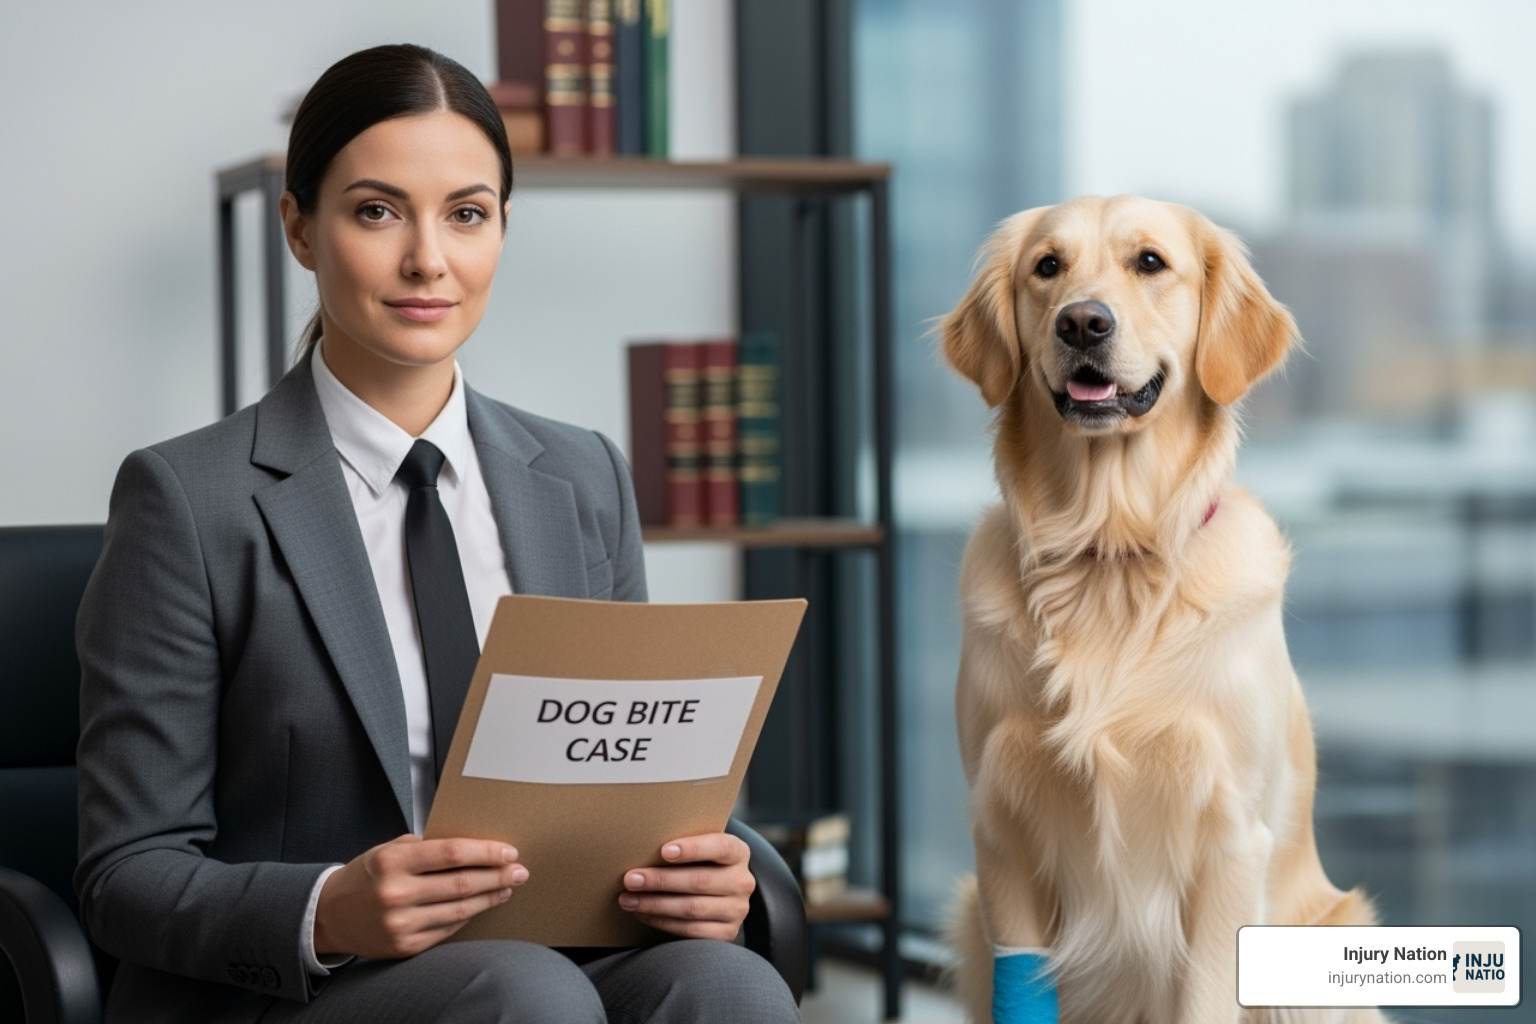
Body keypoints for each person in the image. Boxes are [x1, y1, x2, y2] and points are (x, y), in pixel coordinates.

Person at [74, 43, 800, 1024]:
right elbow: (126, 870)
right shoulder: (186, 500)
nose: (430, 259)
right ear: (299, 227)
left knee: (732, 983)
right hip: (298, 990)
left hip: (549, 959)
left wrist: (707, 871)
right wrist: (329, 909)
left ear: (502, 227)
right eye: (377, 211)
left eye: (467, 213)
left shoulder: (582, 475)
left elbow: (639, 786)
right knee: (528, 992)